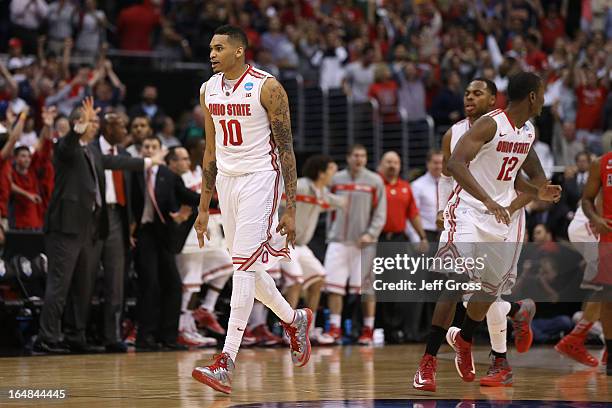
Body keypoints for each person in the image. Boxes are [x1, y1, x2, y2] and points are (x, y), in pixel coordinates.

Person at [413, 73, 562, 391]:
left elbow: (521, 179)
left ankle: (465, 340)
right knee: (453, 284)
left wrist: (540, 192)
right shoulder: (490, 124)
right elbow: (454, 165)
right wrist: (487, 200)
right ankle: (427, 364)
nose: (546, 100)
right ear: (533, 97)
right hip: (466, 212)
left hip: (499, 220)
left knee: (488, 292)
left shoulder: (527, 132)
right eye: (543, 94)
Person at [191, 25, 311, 394]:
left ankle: (225, 361)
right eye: (210, 48)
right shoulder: (207, 90)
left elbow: (287, 150)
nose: (212, 53)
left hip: (262, 177)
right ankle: (293, 319)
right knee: (248, 267)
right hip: (227, 181)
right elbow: (209, 154)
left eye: (219, 48)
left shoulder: (267, 87)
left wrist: (290, 208)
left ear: (239, 51)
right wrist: (202, 207)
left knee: (243, 264)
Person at [33, 97, 163, 354]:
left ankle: (71, 336)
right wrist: (79, 126)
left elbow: (115, 162)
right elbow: (69, 143)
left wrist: (148, 162)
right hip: (65, 227)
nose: (95, 125)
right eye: (90, 121)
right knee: (59, 286)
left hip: (88, 228)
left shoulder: (92, 151)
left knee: (81, 286)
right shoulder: (65, 148)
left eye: (94, 121)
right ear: (77, 124)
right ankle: (46, 338)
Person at [131, 135, 200, 351]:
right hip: (142, 234)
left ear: (161, 151)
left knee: (173, 284)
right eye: (146, 146)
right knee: (149, 285)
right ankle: (145, 337)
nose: (149, 149)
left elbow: (187, 196)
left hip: (163, 234)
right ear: (141, 150)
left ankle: (169, 337)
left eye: (154, 146)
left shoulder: (168, 175)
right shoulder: (133, 172)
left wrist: (215, 200)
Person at [324, 144, 387, 345]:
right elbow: (325, 205)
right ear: (348, 157)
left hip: (364, 243)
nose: (359, 159)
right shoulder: (335, 180)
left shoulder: (375, 181)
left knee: (366, 289)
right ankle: (334, 328)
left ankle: (368, 329)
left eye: (363, 155)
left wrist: (371, 234)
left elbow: (380, 213)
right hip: (338, 241)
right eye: (355, 155)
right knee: (334, 286)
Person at [280, 154, 345, 345]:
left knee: (318, 278)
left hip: (301, 245)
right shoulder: (299, 186)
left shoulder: (320, 193)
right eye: (332, 170)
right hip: (283, 241)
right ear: (322, 173)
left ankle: (308, 329)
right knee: (296, 281)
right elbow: (275, 201)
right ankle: (287, 331)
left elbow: (338, 202)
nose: (335, 175)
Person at [579, 150, 612, 376]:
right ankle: (611, 354)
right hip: (609, 239)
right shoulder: (601, 163)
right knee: (608, 301)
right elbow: (587, 200)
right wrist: (596, 218)